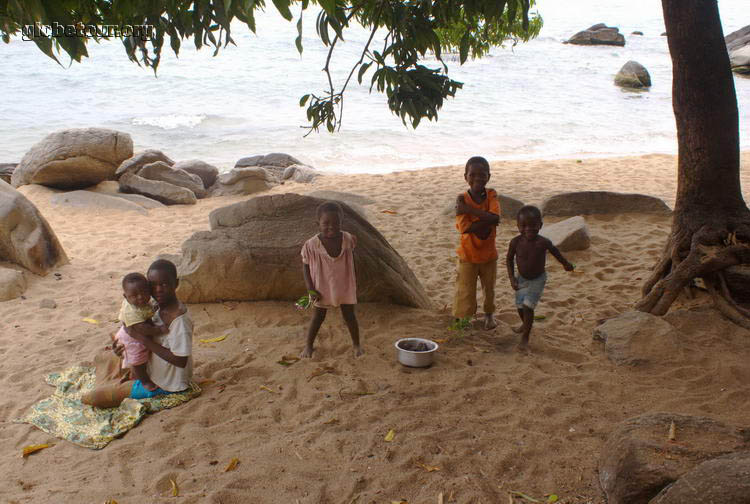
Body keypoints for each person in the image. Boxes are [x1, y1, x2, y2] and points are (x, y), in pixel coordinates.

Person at [82, 259, 193, 407]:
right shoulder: (153, 306)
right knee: (104, 357)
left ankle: (135, 383)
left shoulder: (179, 319)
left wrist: (141, 338)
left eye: (164, 284)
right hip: (148, 366)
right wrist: (122, 349)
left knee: (94, 398)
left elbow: (180, 361)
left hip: (166, 384)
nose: (158, 289)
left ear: (176, 283)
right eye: (153, 285)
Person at [506, 205, 574, 352]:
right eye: (523, 225)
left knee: (528, 306)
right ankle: (526, 324)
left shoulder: (543, 242)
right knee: (519, 306)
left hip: (538, 279)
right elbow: (509, 260)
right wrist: (512, 278)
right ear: (517, 226)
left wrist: (566, 264)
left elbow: (556, 253)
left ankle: (525, 337)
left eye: (533, 225)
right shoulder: (515, 242)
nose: (528, 229)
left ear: (540, 225)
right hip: (521, 278)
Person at [300, 201, 363, 358]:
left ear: (342, 223)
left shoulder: (348, 239)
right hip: (322, 287)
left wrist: (355, 281)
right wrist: (310, 288)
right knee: (318, 317)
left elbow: (352, 257)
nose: (331, 226)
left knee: (350, 315)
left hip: (344, 285)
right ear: (318, 224)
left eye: (336, 223)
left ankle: (356, 345)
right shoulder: (311, 245)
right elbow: (305, 266)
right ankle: (308, 346)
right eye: (326, 223)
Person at [454, 156, 501, 330]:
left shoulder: (491, 194)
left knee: (489, 289)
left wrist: (470, 211)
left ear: (489, 176)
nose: (478, 178)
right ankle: (463, 318)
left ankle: (489, 314)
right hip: (468, 254)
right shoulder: (462, 199)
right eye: (473, 174)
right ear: (465, 176)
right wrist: (487, 220)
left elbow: (496, 217)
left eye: (482, 174)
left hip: (489, 254)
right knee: (465, 289)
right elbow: (464, 228)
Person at [115, 272, 167, 392]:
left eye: (144, 292)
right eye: (134, 295)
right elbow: (142, 329)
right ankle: (144, 381)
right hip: (131, 338)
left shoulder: (140, 302)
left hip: (132, 330)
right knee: (138, 360)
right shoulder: (131, 312)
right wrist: (158, 330)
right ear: (125, 297)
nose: (140, 297)